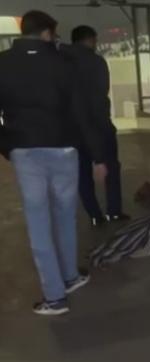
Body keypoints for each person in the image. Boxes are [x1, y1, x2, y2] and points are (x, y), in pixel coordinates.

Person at [0, 11, 107, 315]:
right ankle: (70, 276)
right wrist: (98, 156)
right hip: (64, 149)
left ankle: (55, 296)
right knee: (64, 216)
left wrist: (8, 146)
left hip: (25, 152)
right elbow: (81, 112)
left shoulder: (2, 63)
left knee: (39, 223)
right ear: (47, 33)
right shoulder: (64, 63)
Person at [66, 25, 129, 227]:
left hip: (74, 128)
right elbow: (102, 92)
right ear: (89, 40)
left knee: (83, 172)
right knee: (111, 167)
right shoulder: (96, 61)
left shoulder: (62, 62)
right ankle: (114, 211)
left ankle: (94, 215)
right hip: (99, 124)